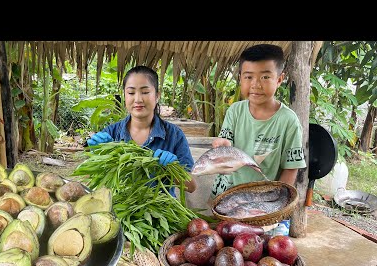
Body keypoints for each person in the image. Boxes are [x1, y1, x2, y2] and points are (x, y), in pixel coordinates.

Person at [210, 43, 306, 200]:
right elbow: (226, 141)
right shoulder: (235, 111)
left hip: (262, 200)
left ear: (279, 79)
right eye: (248, 77)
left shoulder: (288, 121)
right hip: (226, 194)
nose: (256, 84)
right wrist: (222, 145)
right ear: (240, 78)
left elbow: (291, 168)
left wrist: (275, 202)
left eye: (265, 77)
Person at [86, 65, 197, 195]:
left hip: (160, 211)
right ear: (125, 96)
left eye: (145, 92)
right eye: (131, 93)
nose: (138, 99)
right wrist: (97, 155)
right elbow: (93, 180)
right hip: (119, 211)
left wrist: (174, 168)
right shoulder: (111, 133)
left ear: (157, 96)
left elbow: (191, 187)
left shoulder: (174, 135)